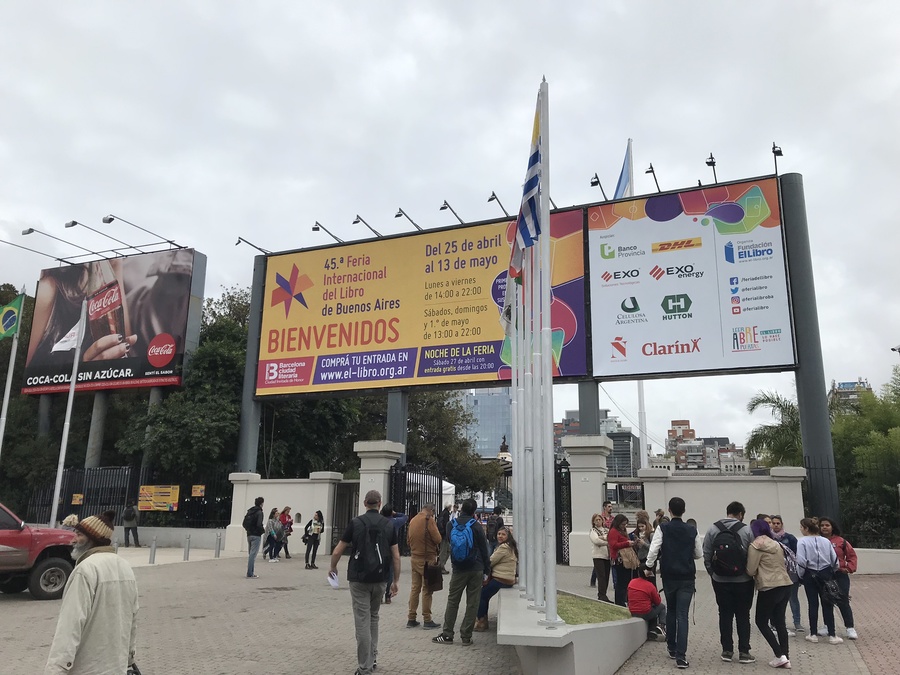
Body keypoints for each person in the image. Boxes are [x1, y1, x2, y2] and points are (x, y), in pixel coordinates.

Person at [44, 510, 139, 675]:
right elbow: (132, 618)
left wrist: (55, 669)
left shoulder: (85, 569)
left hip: (87, 667)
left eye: (79, 534)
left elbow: (70, 624)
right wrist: (130, 657)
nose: (73, 539)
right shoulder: (125, 567)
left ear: (93, 539)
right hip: (116, 666)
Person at [329, 490, 400, 675]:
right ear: (379, 503)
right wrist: (396, 581)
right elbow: (396, 556)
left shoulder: (356, 523)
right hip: (380, 578)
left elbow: (338, 551)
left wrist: (333, 567)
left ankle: (364, 667)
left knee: (362, 620)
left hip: (358, 578)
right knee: (374, 617)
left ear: (364, 503)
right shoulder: (389, 525)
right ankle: (372, 657)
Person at [645, 496, 702, 670]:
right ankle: (681, 656)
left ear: (669, 510)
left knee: (671, 610)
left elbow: (654, 548)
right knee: (682, 615)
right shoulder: (692, 530)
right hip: (686, 577)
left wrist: (648, 565)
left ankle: (671, 646)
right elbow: (698, 553)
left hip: (669, 575)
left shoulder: (663, 528)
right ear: (684, 511)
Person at [703, 500, 756, 664]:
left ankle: (727, 651)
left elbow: (706, 553)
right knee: (743, 615)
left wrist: (712, 573)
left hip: (720, 580)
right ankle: (744, 652)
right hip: (743, 580)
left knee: (724, 614)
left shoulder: (713, 528)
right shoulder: (746, 529)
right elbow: (752, 554)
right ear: (740, 514)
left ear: (728, 512)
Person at [432, 498, 491, 646]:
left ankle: (447, 634)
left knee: (453, 601)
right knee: (472, 602)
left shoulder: (450, 525)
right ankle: (466, 636)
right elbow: (484, 549)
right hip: (476, 568)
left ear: (461, 509)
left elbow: (452, 544)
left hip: (458, 568)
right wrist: (487, 569)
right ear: (474, 511)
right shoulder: (476, 526)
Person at [746, 518, 793, 669]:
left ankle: (780, 655)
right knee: (779, 622)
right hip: (785, 584)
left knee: (761, 621)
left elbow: (751, 569)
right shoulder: (776, 543)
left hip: (769, 587)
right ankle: (786, 656)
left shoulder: (756, 546)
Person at [796, 518, 842, 645]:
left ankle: (813, 634)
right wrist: (831, 571)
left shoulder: (802, 542)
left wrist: (800, 576)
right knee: (828, 603)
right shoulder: (826, 541)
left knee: (813, 603)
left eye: (801, 527)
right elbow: (834, 560)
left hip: (809, 574)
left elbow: (800, 561)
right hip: (826, 572)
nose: (800, 529)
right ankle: (832, 635)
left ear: (806, 528)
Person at [818, 517, 857, 640]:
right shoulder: (816, 541)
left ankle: (850, 627)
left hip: (840, 574)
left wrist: (849, 568)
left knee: (843, 600)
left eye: (827, 525)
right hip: (824, 574)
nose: (824, 527)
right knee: (826, 600)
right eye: (822, 525)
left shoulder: (841, 541)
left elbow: (851, 556)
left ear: (832, 527)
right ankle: (827, 626)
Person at [474, 526, 518, 631]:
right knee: (485, 594)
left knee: (482, 595)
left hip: (501, 579)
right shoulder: (510, 546)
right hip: (507, 578)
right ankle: (482, 619)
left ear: (508, 536)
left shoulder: (504, 548)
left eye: (503, 534)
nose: (500, 536)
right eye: (499, 534)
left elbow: (491, 561)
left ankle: (481, 622)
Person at [406, 503, 442, 629]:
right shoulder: (429, 520)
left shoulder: (413, 520)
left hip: (414, 557)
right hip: (427, 559)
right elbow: (438, 539)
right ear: (431, 510)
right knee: (427, 589)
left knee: (415, 588)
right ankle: (427, 619)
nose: (433, 514)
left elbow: (408, 541)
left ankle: (411, 618)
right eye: (433, 512)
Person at [770, 514, 803, 634]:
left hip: (790, 573)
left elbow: (796, 555)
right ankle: (777, 623)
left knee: (793, 598)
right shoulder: (768, 538)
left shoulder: (790, 538)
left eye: (778, 523)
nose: (776, 525)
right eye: (774, 523)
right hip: (775, 573)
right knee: (776, 600)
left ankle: (797, 622)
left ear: (782, 524)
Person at [628, 564, 666, 641]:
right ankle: (661, 626)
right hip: (645, 612)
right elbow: (658, 602)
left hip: (633, 611)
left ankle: (652, 630)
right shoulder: (650, 586)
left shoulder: (631, 582)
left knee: (652, 608)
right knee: (661, 607)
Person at [380, 504, 408, 603]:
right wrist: (395, 513)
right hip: (392, 548)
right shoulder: (395, 522)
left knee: (380, 571)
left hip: (380, 547)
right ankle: (388, 594)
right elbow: (405, 517)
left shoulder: (380, 521)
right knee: (390, 572)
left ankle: (379, 594)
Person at [608, 514, 636, 607]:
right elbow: (613, 545)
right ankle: (619, 601)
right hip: (618, 559)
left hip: (625, 558)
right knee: (621, 582)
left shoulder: (622, 531)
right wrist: (626, 543)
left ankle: (623, 599)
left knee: (626, 581)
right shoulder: (613, 531)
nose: (624, 526)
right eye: (623, 524)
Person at [589, 513, 611, 603]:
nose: (598, 521)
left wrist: (604, 537)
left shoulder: (606, 530)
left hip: (607, 556)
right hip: (598, 556)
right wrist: (606, 542)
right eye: (596, 520)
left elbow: (610, 537)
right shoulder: (593, 531)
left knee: (606, 576)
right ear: (593, 522)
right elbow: (596, 540)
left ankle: (604, 593)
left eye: (600, 520)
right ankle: (601, 595)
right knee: (601, 576)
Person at [243, 496, 265, 578]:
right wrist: (262, 531)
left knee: (250, 554)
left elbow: (244, 523)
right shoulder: (259, 512)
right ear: (261, 503)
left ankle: (250, 572)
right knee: (253, 555)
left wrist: (248, 530)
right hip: (256, 535)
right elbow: (259, 524)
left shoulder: (250, 511)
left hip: (249, 534)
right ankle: (250, 573)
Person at [436, 504, 453, 574]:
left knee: (446, 551)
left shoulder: (442, 513)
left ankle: (440, 565)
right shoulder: (446, 514)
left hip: (443, 535)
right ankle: (440, 566)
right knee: (444, 551)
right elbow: (446, 524)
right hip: (444, 535)